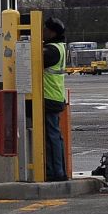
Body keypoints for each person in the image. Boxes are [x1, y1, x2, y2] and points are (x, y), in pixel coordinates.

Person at [42, 17, 68, 181]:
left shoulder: (51, 50)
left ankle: (56, 172)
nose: (43, 32)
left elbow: (32, 60)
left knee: (52, 137)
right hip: (56, 96)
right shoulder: (60, 47)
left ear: (52, 32)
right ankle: (57, 171)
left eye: (45, 29)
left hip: (49, 97)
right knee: (54, 136)